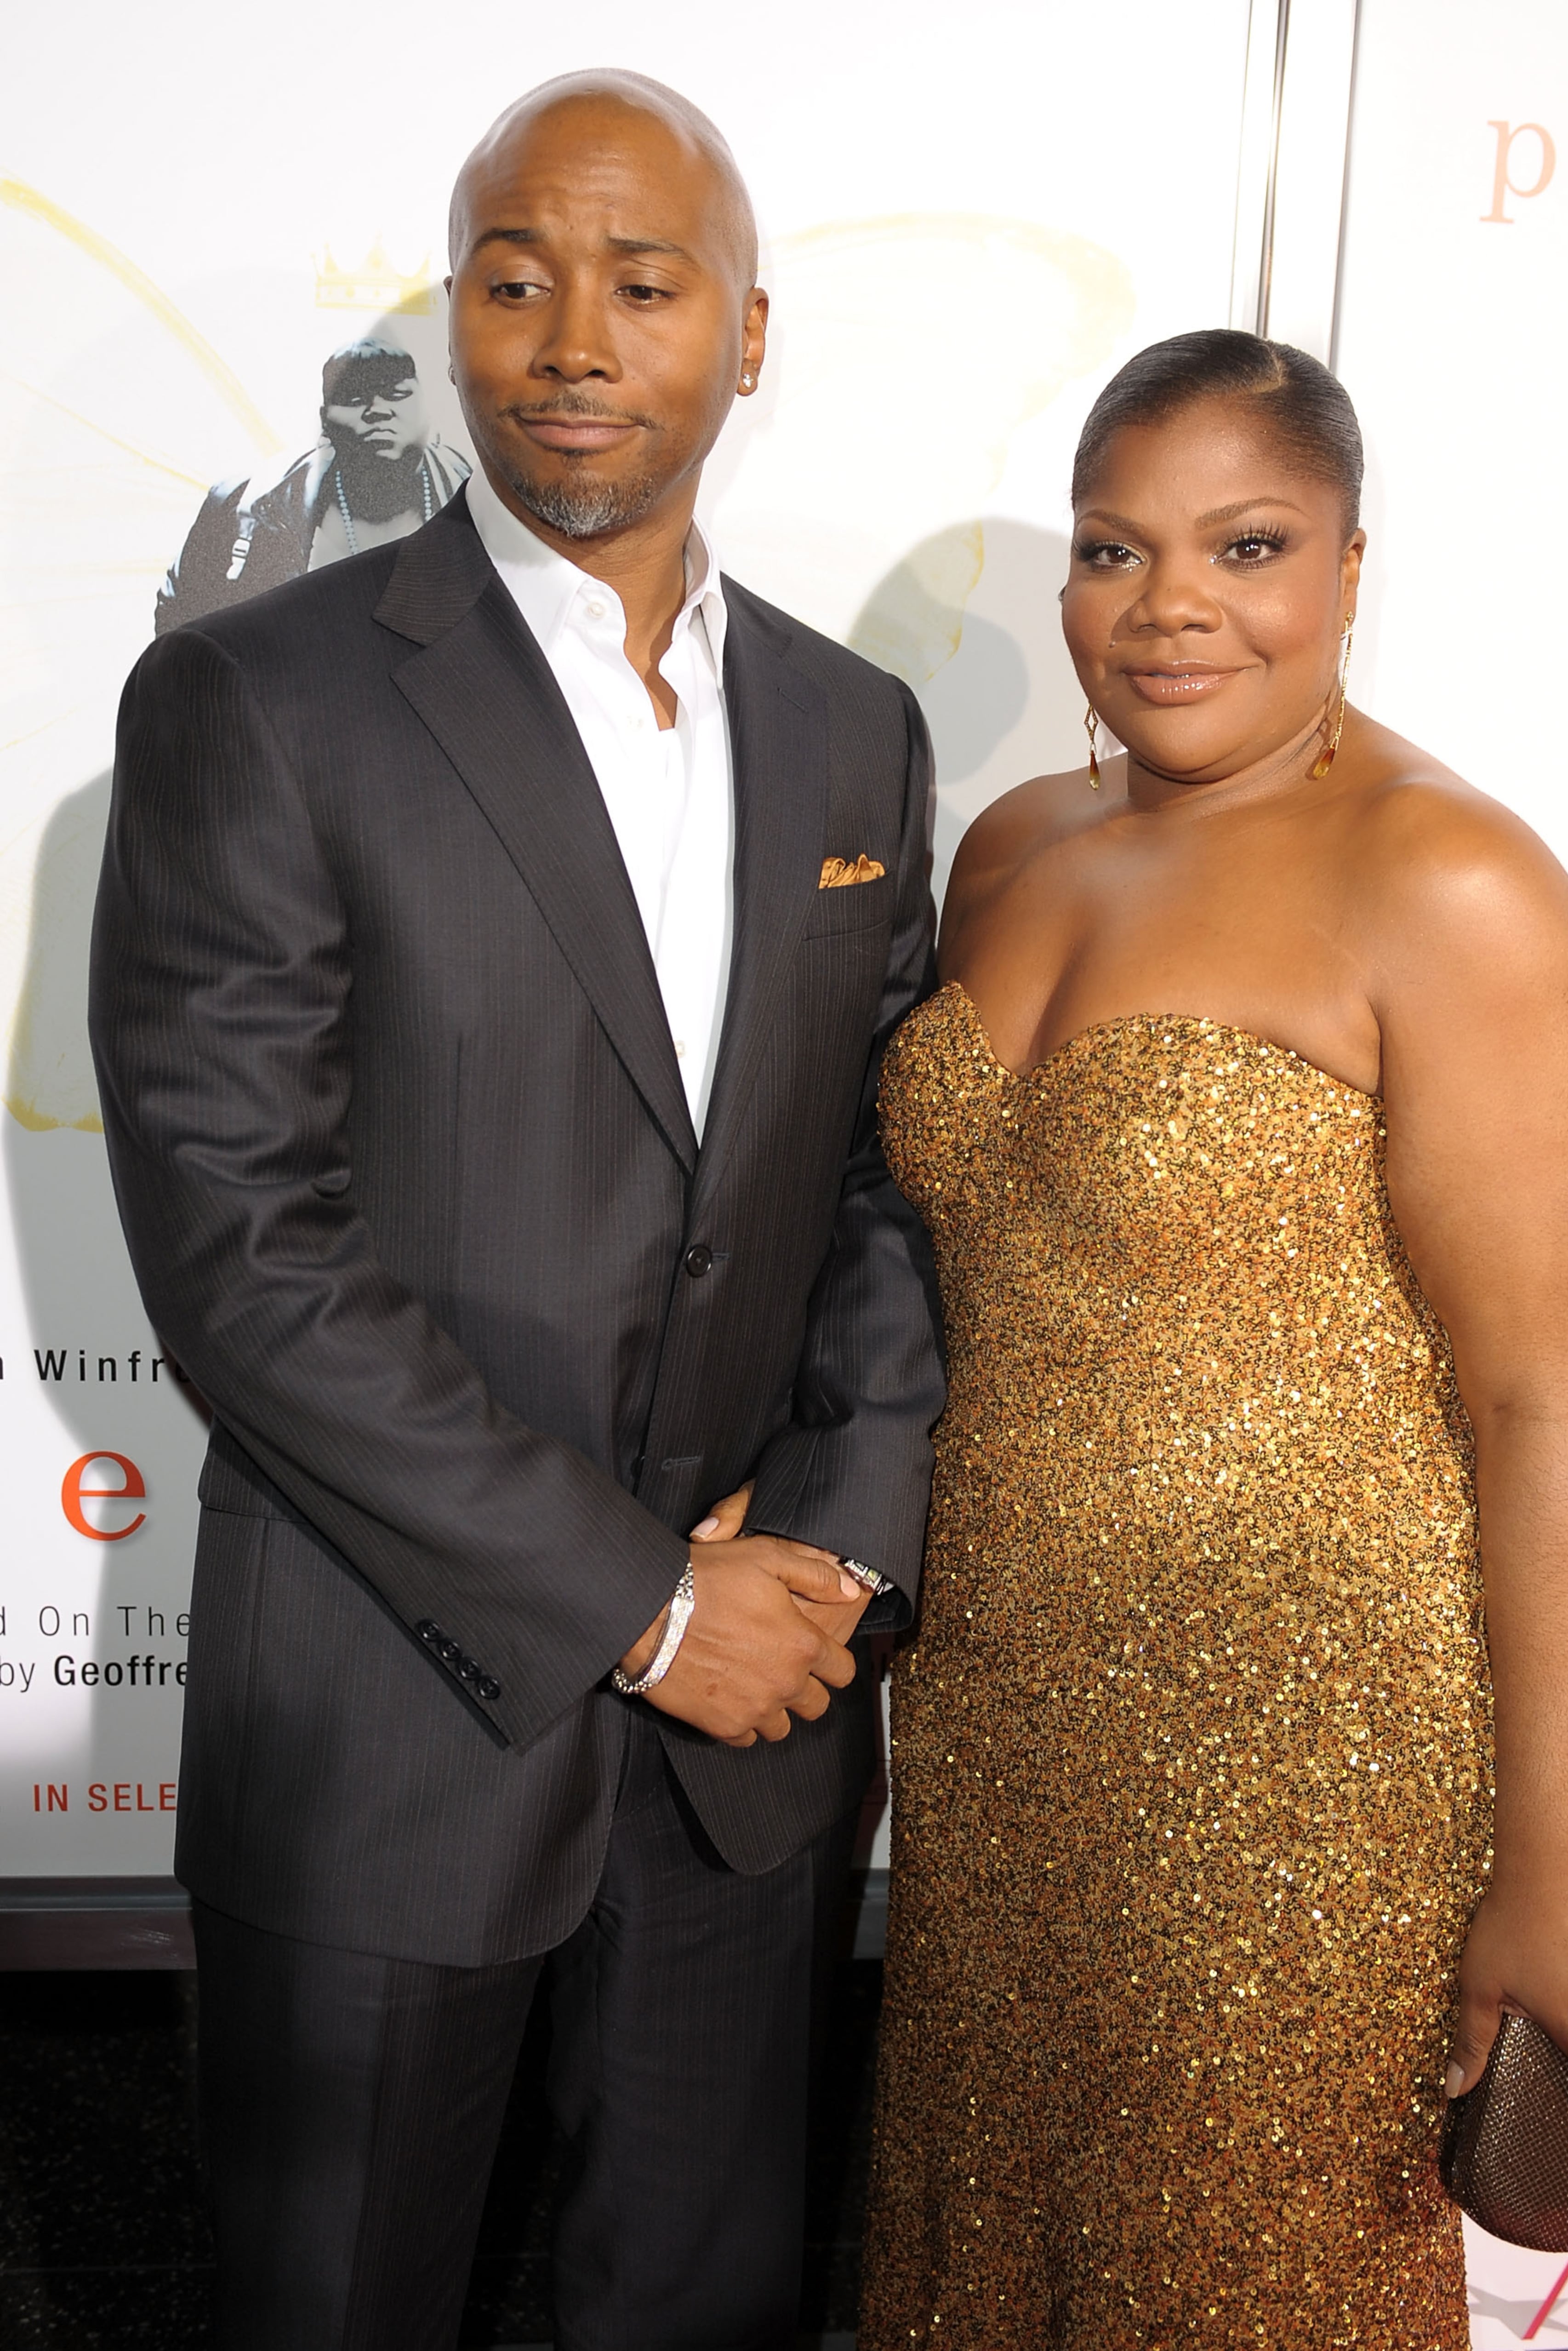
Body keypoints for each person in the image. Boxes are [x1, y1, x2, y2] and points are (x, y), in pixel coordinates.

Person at [91, 69, 943, 2351]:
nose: (571, 335)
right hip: (390, 1728)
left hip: (747, 1753)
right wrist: (643, 1597)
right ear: (460, 319)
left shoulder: (858, 733)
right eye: (513, 276)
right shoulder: (253, 702)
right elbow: (244, 1253)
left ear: (745, 337)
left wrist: (841, 1553)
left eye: (643, 283)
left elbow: (885, 1172)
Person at [859, 330, 1568, 2348]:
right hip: (995, 1745)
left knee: (1241, 2277)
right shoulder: (1011, 853)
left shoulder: (1447, 876)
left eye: (1245, 547)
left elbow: (1547, 1401)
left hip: (1307, 1772)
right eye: (1110, 549)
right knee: (987, 2264)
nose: (1169, 610)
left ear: (1346, 566)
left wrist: (1557, 1862)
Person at [153, 337, 473, 633]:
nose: (377, 411)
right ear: (325, 421)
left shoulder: (480, 495)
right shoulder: (244, 503)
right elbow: (179, 622)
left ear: (427, 410)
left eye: (396, 394)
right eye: (355, 397)